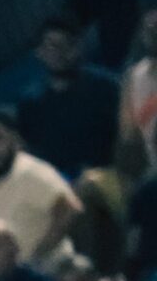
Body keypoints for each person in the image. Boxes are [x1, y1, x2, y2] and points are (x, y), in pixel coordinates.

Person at [0, 107, 83, 269]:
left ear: (14, 140)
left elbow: (69, 209)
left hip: (48, 273)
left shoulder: (31, 171)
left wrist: (37, 257)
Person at [20, 12, 122, 182]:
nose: (60, 52)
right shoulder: (31, 101)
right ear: (39, 52)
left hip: (104, 179)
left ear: (80, 47)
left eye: (67, 44)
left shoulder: (106, 88)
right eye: (52, 46)